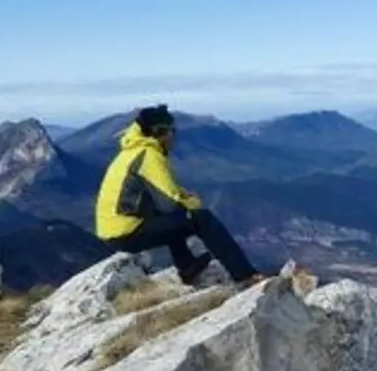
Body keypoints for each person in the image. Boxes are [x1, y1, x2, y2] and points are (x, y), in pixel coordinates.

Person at [94, 104, 265, 286]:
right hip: (127, 232)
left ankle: (188, 266)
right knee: (202, 219)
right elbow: (169, 204)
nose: (174, 136)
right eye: (171, 130)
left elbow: (162, 190)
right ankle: (245, 275)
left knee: (176, 218)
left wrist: (183, 197)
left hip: (115, 229)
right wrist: (193, 203)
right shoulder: (149, 156)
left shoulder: (132, 152)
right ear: (159, 132)